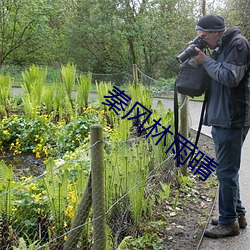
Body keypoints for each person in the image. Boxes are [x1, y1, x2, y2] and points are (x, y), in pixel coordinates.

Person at [192, 15, 250, 238]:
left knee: (226, 171)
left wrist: (205, 61)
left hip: (232, 118)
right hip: (222, 117)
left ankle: (228, 223)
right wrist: (202, 60)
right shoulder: (221, 46)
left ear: (216, 32)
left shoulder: (238, 44)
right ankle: (237, 214)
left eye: (204, 37)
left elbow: (229, 77)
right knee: (227, 171)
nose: (203, 41)